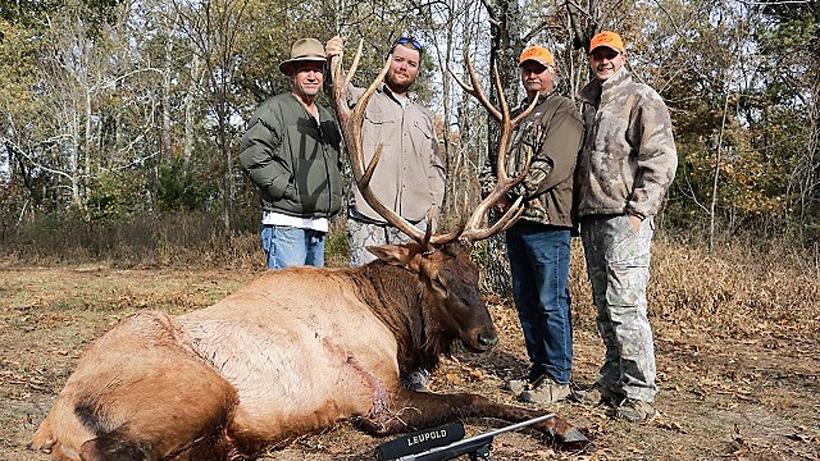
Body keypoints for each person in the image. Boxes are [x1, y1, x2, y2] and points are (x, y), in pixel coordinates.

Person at [575, 31, 678, 421]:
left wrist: (639, 211)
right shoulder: (586, 101)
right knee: (604, 307)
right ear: (590, 58)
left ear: (623, 57)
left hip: (625, 219)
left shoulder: (641, 97)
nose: (604, 61)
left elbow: (661, 160)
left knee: (626, 306)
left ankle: (640, 392)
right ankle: (613, 382)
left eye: (611, 55)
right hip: (592, 218)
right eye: (598, 55)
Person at [482, 45, 583, 404]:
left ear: (552, 73)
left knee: (549, 301)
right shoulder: (520, 114)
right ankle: (538, 371)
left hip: (547, 221)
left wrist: (513, 193)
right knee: (526, 300)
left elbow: (552, 164)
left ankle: (558, 377)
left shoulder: (565, 112)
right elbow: (496, 165)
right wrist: (494, 195)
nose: (532, 75)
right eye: (527, 69)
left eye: (539, 69)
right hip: (516, 221)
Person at [325, 35, 446, 267]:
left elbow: (435, 169)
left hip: (414, 227)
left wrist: (433, 213)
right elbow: (336, 88)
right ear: (387, 61)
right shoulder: (363, 98)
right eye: (399, 60)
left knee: (409, 298)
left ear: (418, 71)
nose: (403, 67)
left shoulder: (424, 116)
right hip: (369, 222)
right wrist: (332, 60)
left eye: (411, 64)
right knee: (368, 298)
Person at [239, 38, 344, 269]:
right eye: (304, 69)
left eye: (317, 69)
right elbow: (252, 154)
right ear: (292, 75)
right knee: (285, 303)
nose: (312, 75)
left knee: (310, 302)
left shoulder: (326, 117)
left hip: (317, 226)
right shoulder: (275, 109)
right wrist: (287, 190)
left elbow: (335, 164)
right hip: (286, 225)